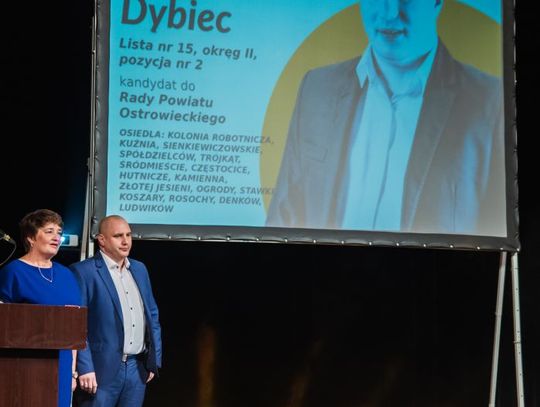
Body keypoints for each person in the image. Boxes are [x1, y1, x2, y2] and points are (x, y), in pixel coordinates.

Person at [266, 0, 506, 236]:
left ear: (437, 2)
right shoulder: (317, 88)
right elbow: (282, 219)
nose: (390, 12)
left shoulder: (491, 103)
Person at [70, 215, 162, 407]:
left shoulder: (139, 269)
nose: (125, 241)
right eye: (118, 236)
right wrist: (85, 367)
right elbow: (77, 324)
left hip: (137, 368)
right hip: (100, 370)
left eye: (128, 235)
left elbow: (152, 316)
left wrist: (153, 360)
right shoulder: (84, 272)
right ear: (102, 240)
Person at [0, 209, 82, 407]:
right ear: (30, 238)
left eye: (59, 233)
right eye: (49, 231)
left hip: (61, 366)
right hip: (24, 367)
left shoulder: (67, 275)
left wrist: (72, 372)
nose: (57, 237)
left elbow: (73, 328)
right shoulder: (13, 272)